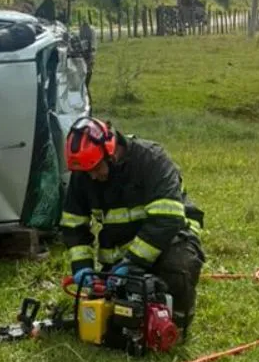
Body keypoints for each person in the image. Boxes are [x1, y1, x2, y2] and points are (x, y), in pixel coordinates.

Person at [61, 116, 205, 332]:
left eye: (96, 168)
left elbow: (168, 220)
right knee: (112, 307)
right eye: (85, 171)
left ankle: (174, 325)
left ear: (111, 153)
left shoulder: (151, 160)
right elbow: (73, 225)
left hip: (172, 239)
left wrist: (132, 263)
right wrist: (83, 268)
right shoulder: (84, 174)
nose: (92, 176)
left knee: (177, 268)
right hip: (122, 258)